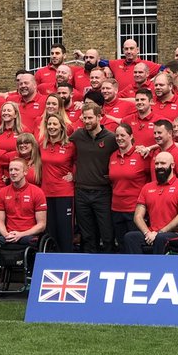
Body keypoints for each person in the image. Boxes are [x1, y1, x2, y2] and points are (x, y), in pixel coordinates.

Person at [69, 102, 118, 253]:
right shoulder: (78, 135)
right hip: (81, 191)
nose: (87, 121)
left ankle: (108, 263)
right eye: (84, 118)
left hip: (102, 192)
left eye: (90, 118)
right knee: (87, 236)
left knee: (107, 234)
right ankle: (90, 263)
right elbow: (64, 150)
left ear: (99, 117)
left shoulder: (111, 138)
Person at [123, 151, 178, 254]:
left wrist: (159, 232)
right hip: (152, 233)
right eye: (156, 163)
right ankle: (138, 264)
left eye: (163, 163)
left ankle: (156, 265)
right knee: (130, 237)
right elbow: (137, 216)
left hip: (177, 234)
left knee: (160, 239)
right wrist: (147, 233)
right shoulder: (147, 187)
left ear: (172, 165)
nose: (159, 166)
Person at [37, 113, 76, 252]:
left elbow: (79, 162)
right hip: (46, 193)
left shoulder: (70, 146)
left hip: (64, 193)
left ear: (61, 127)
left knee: (65, 231)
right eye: (49, 124)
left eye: (55, 124)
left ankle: (67, 260)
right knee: (50, 231)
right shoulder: (42, 145)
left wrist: (74, 175)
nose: (51, 127)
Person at [109, 122, 151, 246]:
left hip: (135, 209)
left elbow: (151, 180)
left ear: (131, 136)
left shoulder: (141, 155)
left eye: (123, 135)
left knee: (134, 245)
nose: (119, 138)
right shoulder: (113, 156)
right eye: (117, 136)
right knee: (121, 245)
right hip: (116, 208)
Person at [0, 158, 48, 247]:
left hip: (28, 235)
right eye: (10, 170)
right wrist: (6, 235)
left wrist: (21, 234)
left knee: (29, 241)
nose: (12, 172)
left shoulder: (37, 192)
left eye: (16, 169)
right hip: (9, 235)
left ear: (25, 172)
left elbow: (41, 225)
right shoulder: (2, 192)